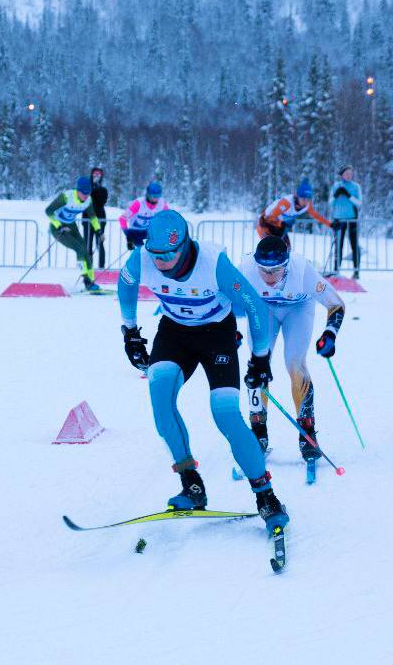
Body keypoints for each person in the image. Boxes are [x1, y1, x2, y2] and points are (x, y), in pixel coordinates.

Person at [117, 210, 288, 535]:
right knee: (161, 402)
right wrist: (129, 332)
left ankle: (266, 496)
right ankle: (191, 484)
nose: (161, 262)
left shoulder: (212, 262)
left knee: (224, 415)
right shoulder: (142, 259)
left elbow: (253, 305)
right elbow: (126, 289)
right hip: (174, 333)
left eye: (168, 254)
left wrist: (260, 357)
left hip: (216, 335)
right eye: (156, 255)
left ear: (184, 245)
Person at [238, 236, 346, 460]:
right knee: (259, 362)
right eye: (263, 270)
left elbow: (336, 304)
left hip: (297, 308)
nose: (268, 276)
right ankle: (258, 433)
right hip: (263, 309)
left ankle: (307, 433)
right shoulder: (246, 268)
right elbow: (225, 301)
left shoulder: (302, 271)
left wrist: (330, 334)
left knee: (295, 363)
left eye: (275, 270)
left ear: (286, 264)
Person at [45, 176, 102, 291]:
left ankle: (90, 281)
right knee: (79, 249)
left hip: (71, 226)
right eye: (83, 193)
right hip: (58, 228)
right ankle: (86, 280)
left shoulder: (88, 200)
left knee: (85, 251)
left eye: (88, 192)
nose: (86, 196)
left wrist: (98, 230)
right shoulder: (67, 197)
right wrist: (58, 225)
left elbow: (92, 217)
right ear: (77, 190)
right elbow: (49, 211)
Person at [258, 178, 331, 244]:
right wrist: (283, 223)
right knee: (271, 248)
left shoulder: (307, 205)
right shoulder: (286, 203)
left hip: (279, 228)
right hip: (265, 224)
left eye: (308, 199)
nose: (305, 202)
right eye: (303, 199)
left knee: (287, 249)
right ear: (297, 196)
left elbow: (316, 216)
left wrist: (331, 225)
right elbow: (270, 217)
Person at [329, 166, 362, 278]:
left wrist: (349, 195)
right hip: (339, 219)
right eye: (347, 173)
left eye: (351, 173)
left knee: (354, 244)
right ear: (342, 175)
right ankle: (336, 270)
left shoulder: (356, 186)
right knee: (339, 245)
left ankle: (356, 271)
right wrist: (335, 195)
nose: (349, 175)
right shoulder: (336, 186)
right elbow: (330, 203)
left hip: (352, 219)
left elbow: (359, 203)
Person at [119, 181, 169, 250]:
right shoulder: (138, 204)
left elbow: (168, 218)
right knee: (139, 256)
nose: (156, 199)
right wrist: (128, 235)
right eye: (154, 196)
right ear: (148, 194)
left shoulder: (162, 204)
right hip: (135, 233)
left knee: (152, 257)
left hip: (149, 233)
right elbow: (122, 219)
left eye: (158, 196)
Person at [84, 166, 109, 269]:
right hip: (87, 219)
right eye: (95, 174)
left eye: (99, 174)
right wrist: (92, 188)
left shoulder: (103, 190)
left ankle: (101, 267)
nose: (96, 176)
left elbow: (101, 201)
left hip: (100, 219)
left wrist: (97, 188)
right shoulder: (86, 189)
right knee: (88, 244)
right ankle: (88, 268)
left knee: (100, 243)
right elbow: (85, 200)